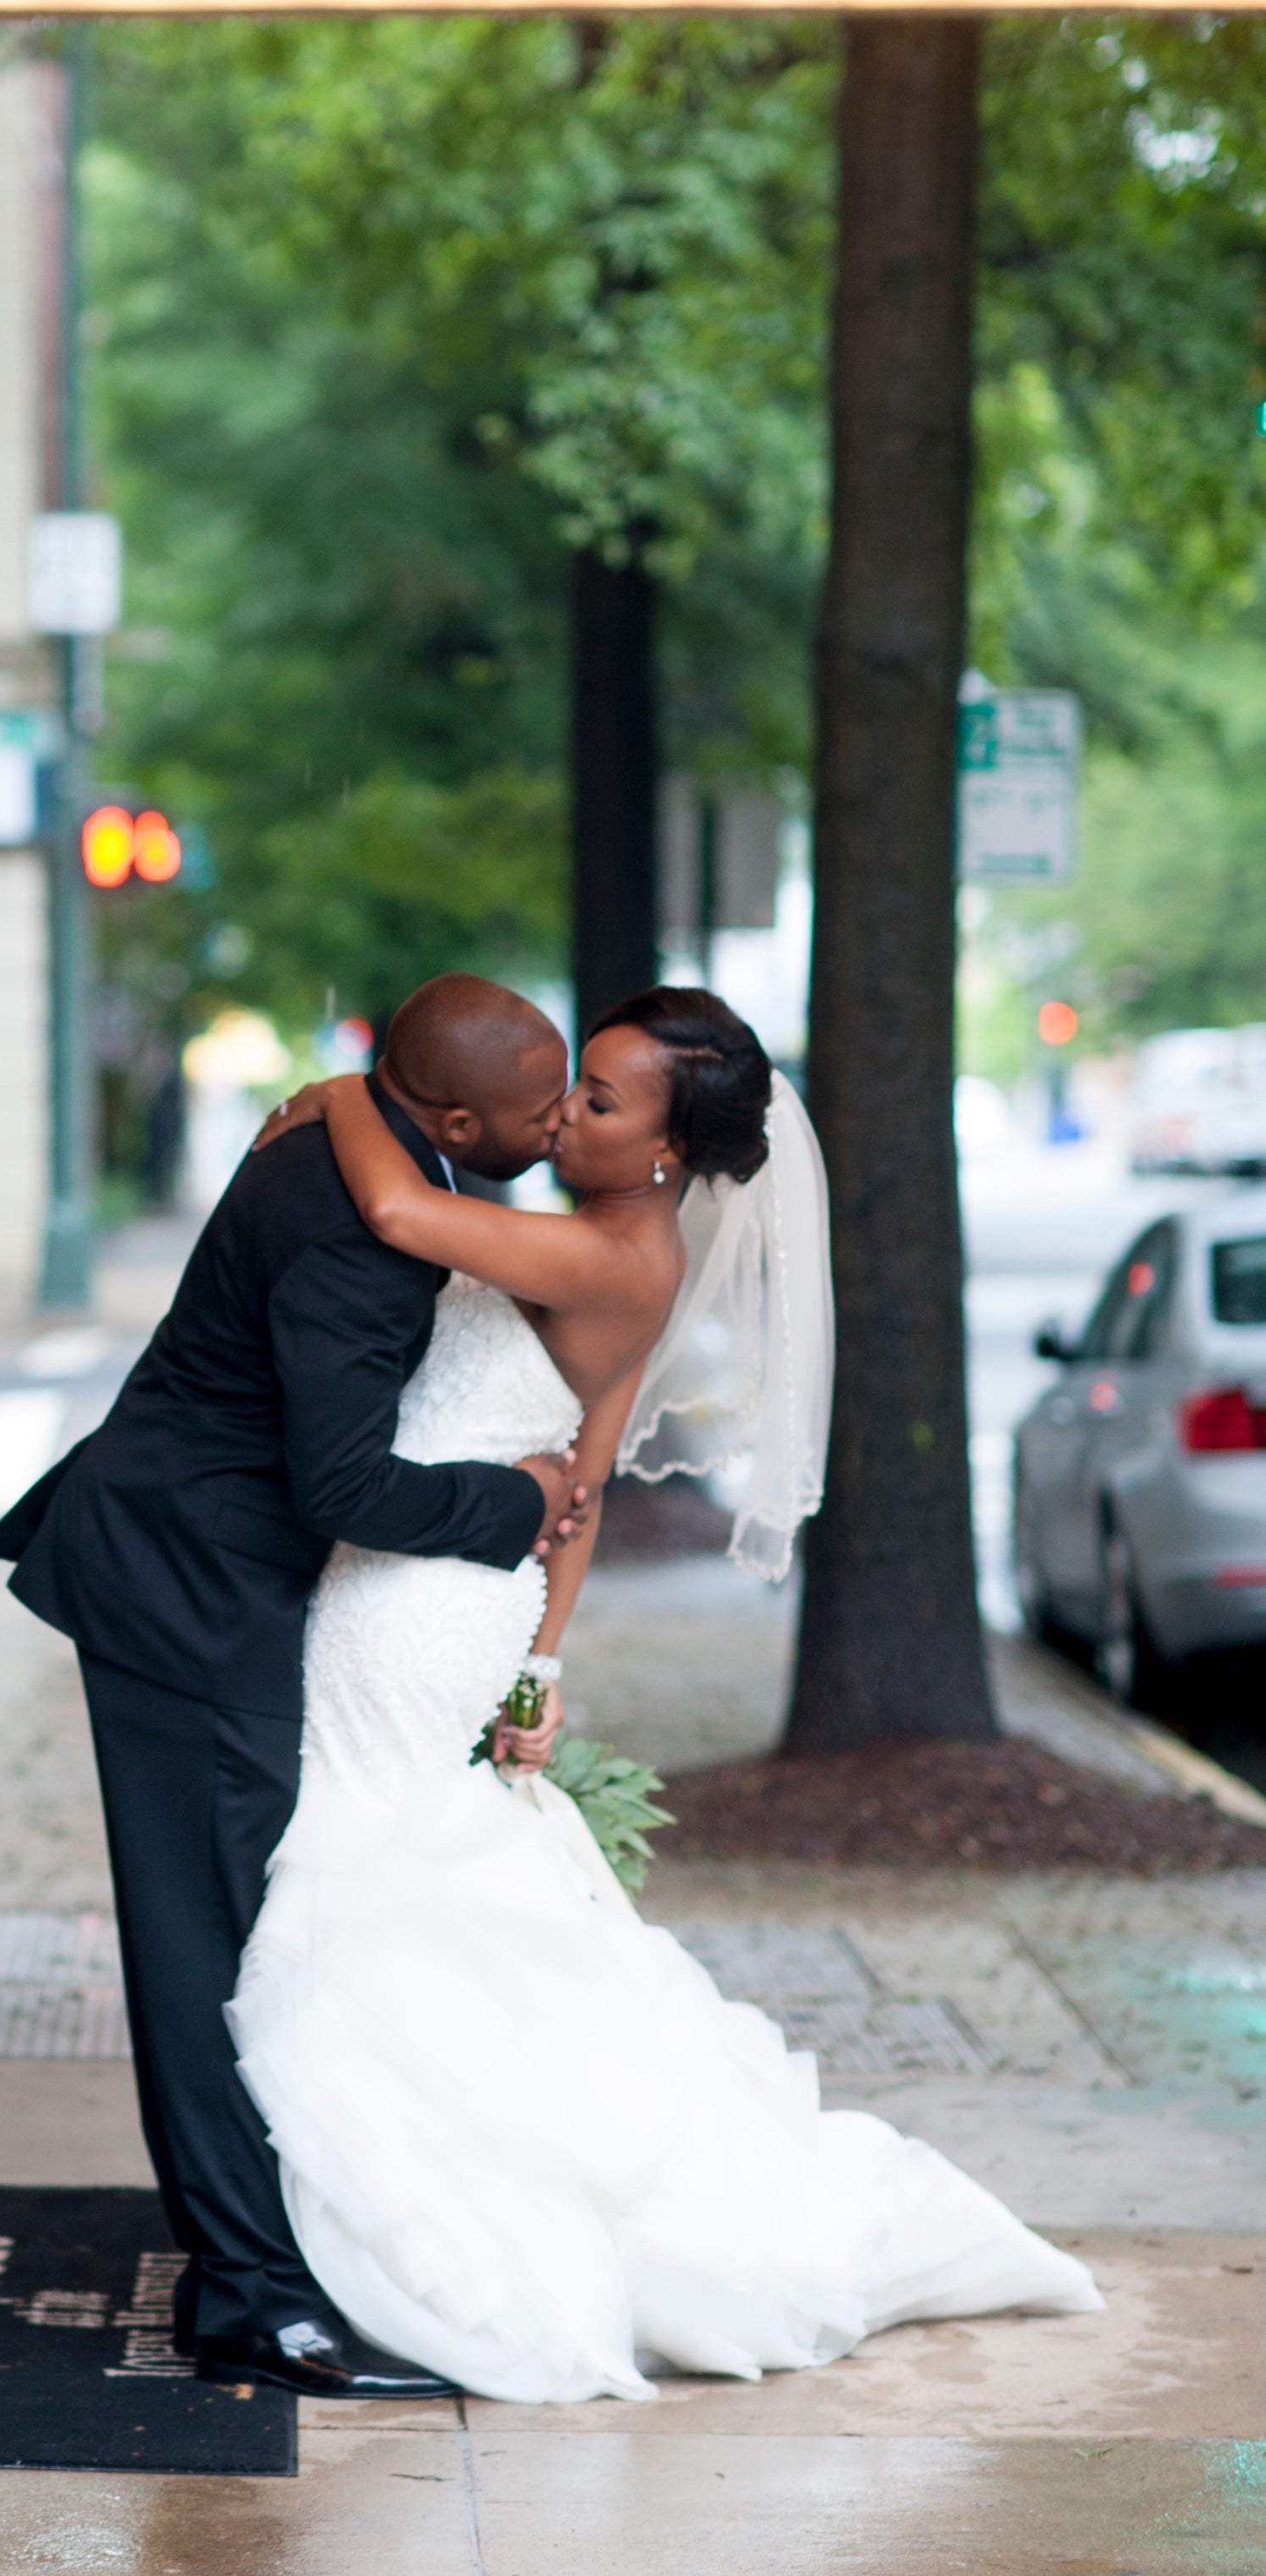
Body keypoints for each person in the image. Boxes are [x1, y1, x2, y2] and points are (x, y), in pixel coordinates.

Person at [234, 985, 1100, 2401]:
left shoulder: (614, 1257)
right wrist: (541, 1661)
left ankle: (393, 2233)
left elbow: (398, 1217)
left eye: (605, 1101)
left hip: (413, 1602)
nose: (568, 1108)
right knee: (408, 1886)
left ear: (663, 1154)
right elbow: (576, 1489)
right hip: (451, 1594)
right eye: (576, 1081)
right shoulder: (609, 1238)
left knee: (367, 1883)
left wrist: (342, 1093)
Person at [0, 974, 588, 2398]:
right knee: (206, 1947)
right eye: (536, 1107)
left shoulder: (359, 1147)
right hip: (184, 1589)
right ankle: (250, 2295)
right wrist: (521, 1498)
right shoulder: (354, 1242)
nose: (558, 1124)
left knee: (243, 1924)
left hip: (208, 1573)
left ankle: (253, 2264)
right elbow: (346, 1485)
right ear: (449, 1118)